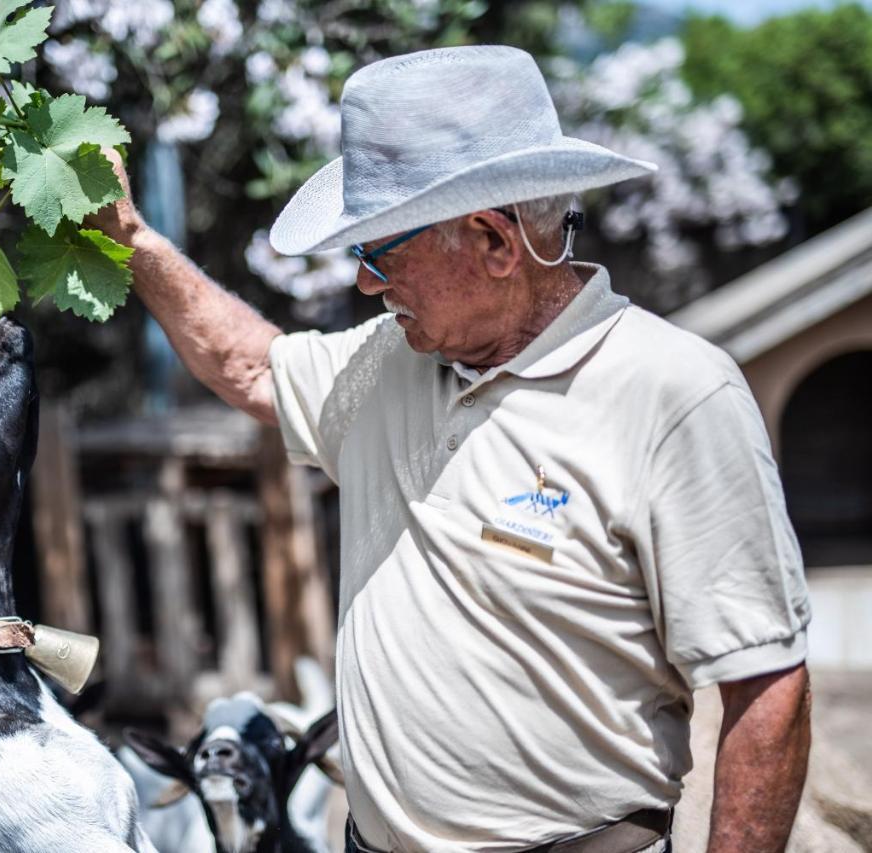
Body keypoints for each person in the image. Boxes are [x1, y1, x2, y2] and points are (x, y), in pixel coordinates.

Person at [88, 45, 812, 853]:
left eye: (379, 250)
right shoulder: (389, 362)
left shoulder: (673, 392)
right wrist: (132, 238)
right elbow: (251, 365)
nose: (364, 282)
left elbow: (767, 688)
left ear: (494, 241)